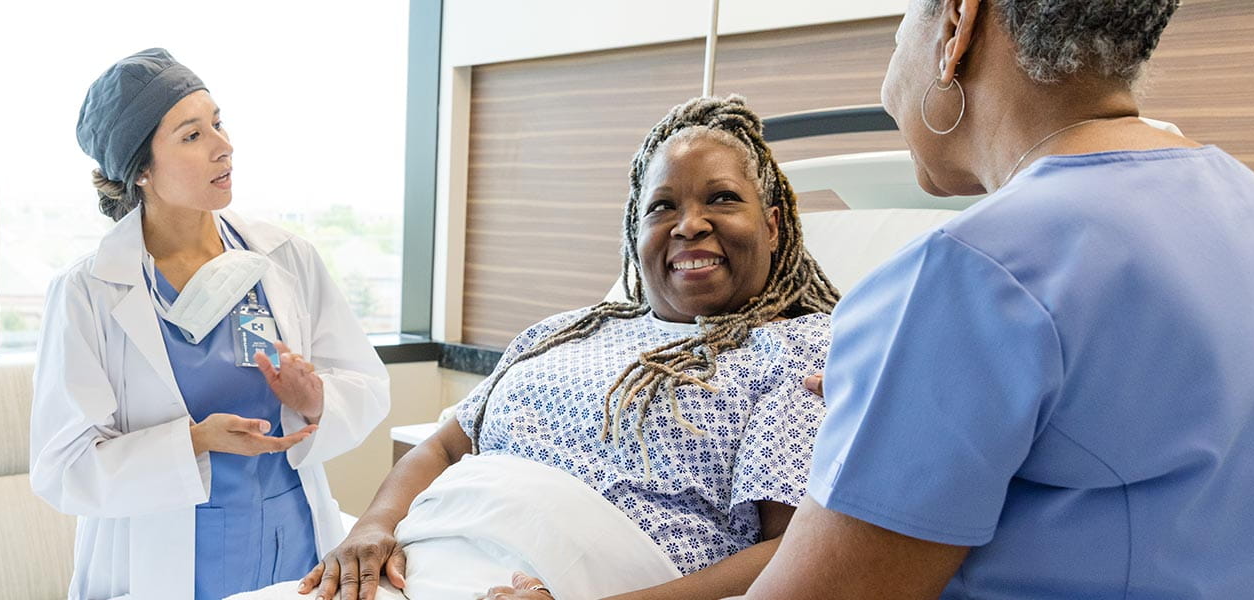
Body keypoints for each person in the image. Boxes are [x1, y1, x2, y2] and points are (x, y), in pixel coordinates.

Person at [737, 1, 1254, 598]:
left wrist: (889, 406)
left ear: (957, 27)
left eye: (896, 36)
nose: (889, 85)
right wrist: (907, 408)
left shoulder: (968, 272)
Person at [288, 96, 840, 600]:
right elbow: (445, 447)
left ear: (771, 227)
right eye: (662, 207)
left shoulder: (796, 353)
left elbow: (789, 552)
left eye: (722, 198)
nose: (689, 225)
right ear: (634, 232)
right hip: (421, 564)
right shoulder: (564, 332)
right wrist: (373, 526)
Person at [28, 48, 392, 600]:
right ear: (141, 169)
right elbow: (64, 469)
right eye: (192, 136)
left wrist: (317, 398)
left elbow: (367, 385)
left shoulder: (284, 257)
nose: (224, 146)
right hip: (163, 557)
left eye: (218, 123)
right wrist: (194, 442)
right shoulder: (89, 292)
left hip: (292, 542)